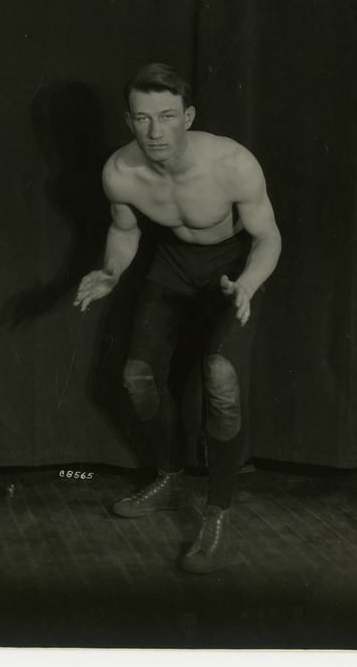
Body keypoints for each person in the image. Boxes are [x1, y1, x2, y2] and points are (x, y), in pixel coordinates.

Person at [75, 63, 281, 573]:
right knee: (137, 377)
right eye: (143, 118)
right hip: (171, 266)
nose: (155, 131)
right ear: (129, 119)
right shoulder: (120, 172)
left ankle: (217, 509)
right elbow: (124, 232)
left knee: (221, 378)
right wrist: (111, 271)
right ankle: (169, 479)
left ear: (187, 115)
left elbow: (268, 237)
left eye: (167, 116)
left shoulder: (232, 163)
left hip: (231, 268)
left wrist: (248, 285)